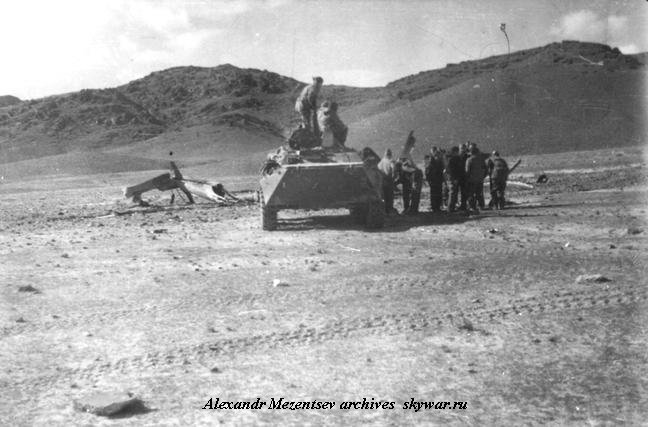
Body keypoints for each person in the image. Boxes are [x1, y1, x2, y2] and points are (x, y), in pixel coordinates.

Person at [465, 146, 487, 213]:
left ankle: (472, 207)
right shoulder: (481, 159)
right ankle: (481, 206)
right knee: (479, 193)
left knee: (471, 194)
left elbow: (467, 171)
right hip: (480, 179)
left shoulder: (469, 160)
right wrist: (483, 176)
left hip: (472, 180)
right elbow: (485, 169)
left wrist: (467, 178)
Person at [444, 146, 464, 212]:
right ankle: (450, 208)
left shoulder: (448, 158)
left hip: (450, 178)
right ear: (455, 152)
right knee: (452, 193)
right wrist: (455, 178)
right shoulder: (452, 159)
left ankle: (451, 208)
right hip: (453, 178)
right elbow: (452, 170)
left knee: (453, 193)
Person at [378, 149, 397, 214]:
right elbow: (394, 168)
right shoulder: (391, 161)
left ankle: (385, 211)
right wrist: (394, 177)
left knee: (384, 197)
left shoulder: (382, 161)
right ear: (390, 154)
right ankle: (389, 210)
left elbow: (378, 169)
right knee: (390, 197)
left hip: (383, 181)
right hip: (389, 181)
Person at [425, 147, 445, 212]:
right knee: (434, 194)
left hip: (438, 180)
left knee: (438, 193)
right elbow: (427, 172)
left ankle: (437, 207)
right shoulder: (431, 162)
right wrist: (429, 180)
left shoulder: (439, 162)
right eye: (437, 155)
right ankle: (434, 207)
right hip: (434, 180)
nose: (438, 157)